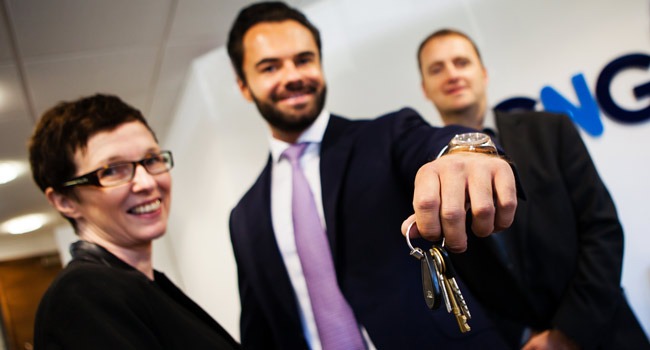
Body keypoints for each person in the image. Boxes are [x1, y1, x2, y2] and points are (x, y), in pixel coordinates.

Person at [227, 2, 519, 349]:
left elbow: (433, 143)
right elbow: (260, 330)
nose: (292, 76)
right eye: (270, 67)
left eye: (304, 60)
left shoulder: (387, 135)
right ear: (244, 86)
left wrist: (464, 152)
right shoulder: (243, 218)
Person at [417, 28, 650, 349]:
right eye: (436, 68)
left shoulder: (551, 130)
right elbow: (451, 277)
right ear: (424, 88)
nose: (452, 74)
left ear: (482, 73)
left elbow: (602, 229)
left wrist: (567, 332)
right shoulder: (426, 176)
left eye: (461, 62)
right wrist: (521, 337)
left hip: (603, 331)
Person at [29, 94, 241, 349]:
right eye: (111, 170)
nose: (148, 182)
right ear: (65, 201)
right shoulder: (82, 295)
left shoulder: (146, 286)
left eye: (151, 160)